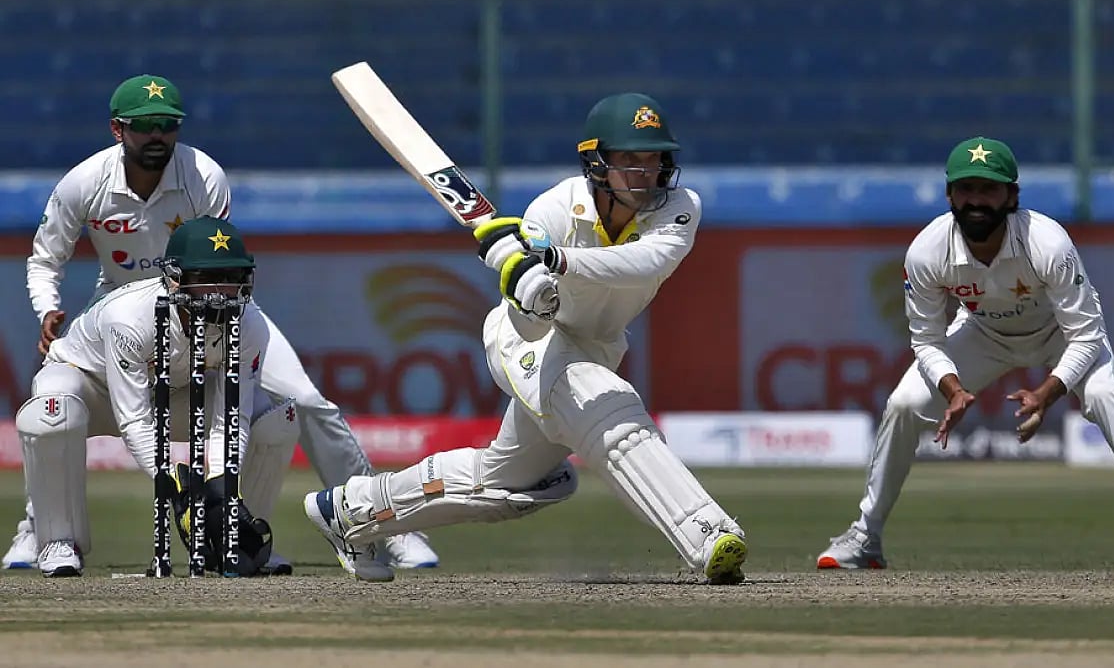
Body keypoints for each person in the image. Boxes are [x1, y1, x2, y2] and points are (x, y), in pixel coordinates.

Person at [303, 92, 748, 584]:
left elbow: (648, 262)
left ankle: (349, 511)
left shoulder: (680, 208)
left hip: (593, 347)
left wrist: (555, 260)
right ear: (596, 162)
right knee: (607, 404)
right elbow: (530, 320)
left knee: (503, 482)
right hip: (526, 344)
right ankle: (707, 535)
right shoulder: (553, 209)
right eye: (629, 160)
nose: (646, 173)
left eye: (654, 159)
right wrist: (526, 287)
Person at [3, 74, 437, 573]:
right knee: (53, 406)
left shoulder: (203, 175)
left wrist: (209, 485)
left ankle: (386, 528)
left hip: (211, 303)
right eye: (144, 127)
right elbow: (44, 259)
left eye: (167, 126)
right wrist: (47, 309)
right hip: (122, 311)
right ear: (117, 130)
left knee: (308, 403)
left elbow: (218, 255)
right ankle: (40, 529)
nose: (157, 136)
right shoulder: (85, 182)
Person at [816, 136, 1114, 570]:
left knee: (1105, 397)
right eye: (966, 190)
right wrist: (953, 389)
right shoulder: (927, 251)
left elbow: (1088, 336)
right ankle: (866, 534)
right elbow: (926, 339)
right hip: (984, 333)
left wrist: (1047, 393)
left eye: (989, 189)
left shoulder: (1047, 242)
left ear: (1012, 196)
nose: (975, 201)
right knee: (904, 404)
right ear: (949, 196)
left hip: (1061, 334)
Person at [18, 217, 289, 576]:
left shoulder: (251, 324)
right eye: (206, 279)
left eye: (231, 277)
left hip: (171, 394)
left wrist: (220, 494)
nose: (220, 292)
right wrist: (177, 490)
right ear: (175, 278)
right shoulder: (129, 317)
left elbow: (231, 419)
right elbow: (134, 420)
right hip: (89, 387)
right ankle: (59, 541)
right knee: (54, 409)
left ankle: (235, 536)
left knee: (272, 418)